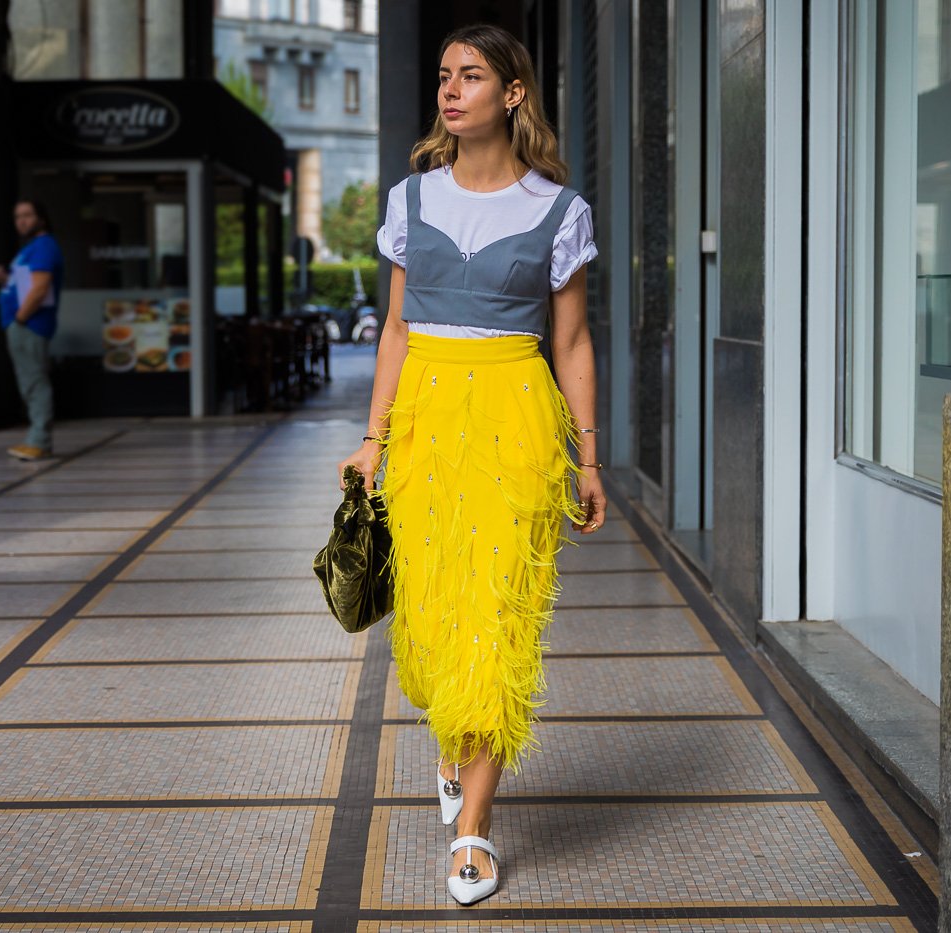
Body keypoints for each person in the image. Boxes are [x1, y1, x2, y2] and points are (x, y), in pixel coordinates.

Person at [336, 23, 606, 906]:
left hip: (516, 418)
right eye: (445, 76)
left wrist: (588, 459)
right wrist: (373, 439)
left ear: (514, 94)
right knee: (433, 608)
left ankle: (473, 829)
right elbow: (397, 332)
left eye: (472, 77)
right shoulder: (411, 199)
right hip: (426, 420)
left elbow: (569, 340)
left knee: (498, 615)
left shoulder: (559, 211)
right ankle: (452, 744)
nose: (450, 91)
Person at [0, 200, 63, 461]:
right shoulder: (31, 249)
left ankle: (39, 440)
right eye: (18, 216)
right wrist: (4, 281)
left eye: (28, 215)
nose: (22, 221)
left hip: (29, 325)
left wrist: (20, 318)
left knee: (34, 381)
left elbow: (40, 288)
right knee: (28, 380)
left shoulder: (43, 247)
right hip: (22, 323)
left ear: (41, 218)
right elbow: (26, 285)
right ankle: (36, 437)